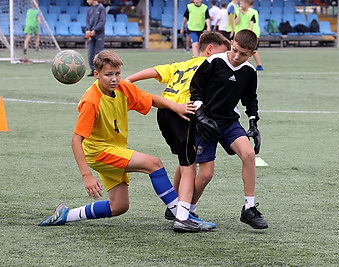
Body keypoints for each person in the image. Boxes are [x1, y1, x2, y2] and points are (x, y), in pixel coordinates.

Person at [38, 51, 197, 230]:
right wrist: (87, 176)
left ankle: (66, 215)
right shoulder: (91, 101)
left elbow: (150, 99)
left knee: (119, 206)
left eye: (117, 74)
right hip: (99, 153)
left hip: (113, 149)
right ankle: (182, 216)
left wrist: (176, 107)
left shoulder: (122, 87)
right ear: (96, 74)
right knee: (154, 164)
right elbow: (76, 140)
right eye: (108, 75)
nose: (114, 79)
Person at [125, 32, 230, 232]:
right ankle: (183, 217)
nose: (225, 58)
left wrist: (128, 80)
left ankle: (175, 208)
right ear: (210, 50)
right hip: (182, 113)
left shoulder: (182, 64)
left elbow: (154, 71)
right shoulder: (210, 66)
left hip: (164, 113)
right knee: (190, 167)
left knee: (184, 161)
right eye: (222, 53)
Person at [189, 29, 268, 229]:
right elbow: (195, 88)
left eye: (243, 54)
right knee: (206, 174)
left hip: (229, 122)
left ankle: (249, 209)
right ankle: (187, 210)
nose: (236, 56)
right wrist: (200, 116)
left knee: (249, 154)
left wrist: (253, 122)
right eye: (235, 50)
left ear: (252, 54)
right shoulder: (213, 62)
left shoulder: (249, 71)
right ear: (232, 43)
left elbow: (250, 98)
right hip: (206, 122)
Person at [235, 0, 264, 70]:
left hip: (251, 34)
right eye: (240, 3)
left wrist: (249, 34)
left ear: (247, 4)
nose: (240, 5)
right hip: (241, 33)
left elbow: (252, 24)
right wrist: (239, 13)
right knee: (245, 50)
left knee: (250, 50)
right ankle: (247, 65)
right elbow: (236, 22)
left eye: (242, 3)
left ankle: (255, 65)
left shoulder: (253, 12)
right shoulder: (237, 11)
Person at [86, 0, 106, 77]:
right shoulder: (89, 9)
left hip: (99, 34)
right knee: (90, 53)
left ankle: (100, 70)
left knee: (99, 53)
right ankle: (93, 69)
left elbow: (102, 21)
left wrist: (95, 30)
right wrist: (88, 30)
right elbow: (87, 21)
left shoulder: (101, 8)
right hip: (91, 34)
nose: (87, 1)